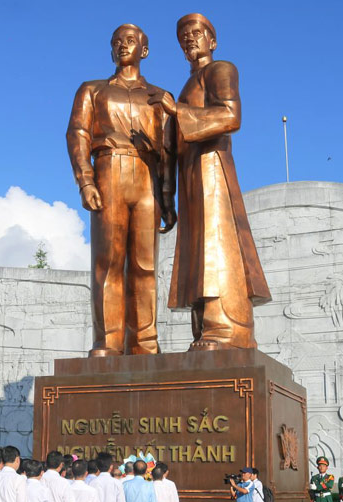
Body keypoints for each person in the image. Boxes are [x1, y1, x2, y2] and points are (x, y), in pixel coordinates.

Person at [153, 13, 271, 350]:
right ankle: (204, 327)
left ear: (212, 41)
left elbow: (231, 116)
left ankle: (228, 328)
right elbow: (172, 144)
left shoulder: (222, 70)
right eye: (183, 37)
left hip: (212, 167)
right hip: (191, 171)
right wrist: (166, 198)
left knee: (217, 244)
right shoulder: (186, 86)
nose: (189, 39)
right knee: (196, 250)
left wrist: (177, 112)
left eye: (196, 33)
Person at [66, 23, 176, 356]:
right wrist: (85, 179)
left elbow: (168, 148)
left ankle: (144, 343)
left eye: (130, 41)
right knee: (108, 262)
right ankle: (108, 342)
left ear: (144, 50)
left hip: (147, 176)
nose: (122, 45)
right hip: (109, 169)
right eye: (117, 42)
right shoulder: (92, 90)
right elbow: (78, 134)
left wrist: (168, 197)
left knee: (145, 266)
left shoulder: (158, 96)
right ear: (111, 50)